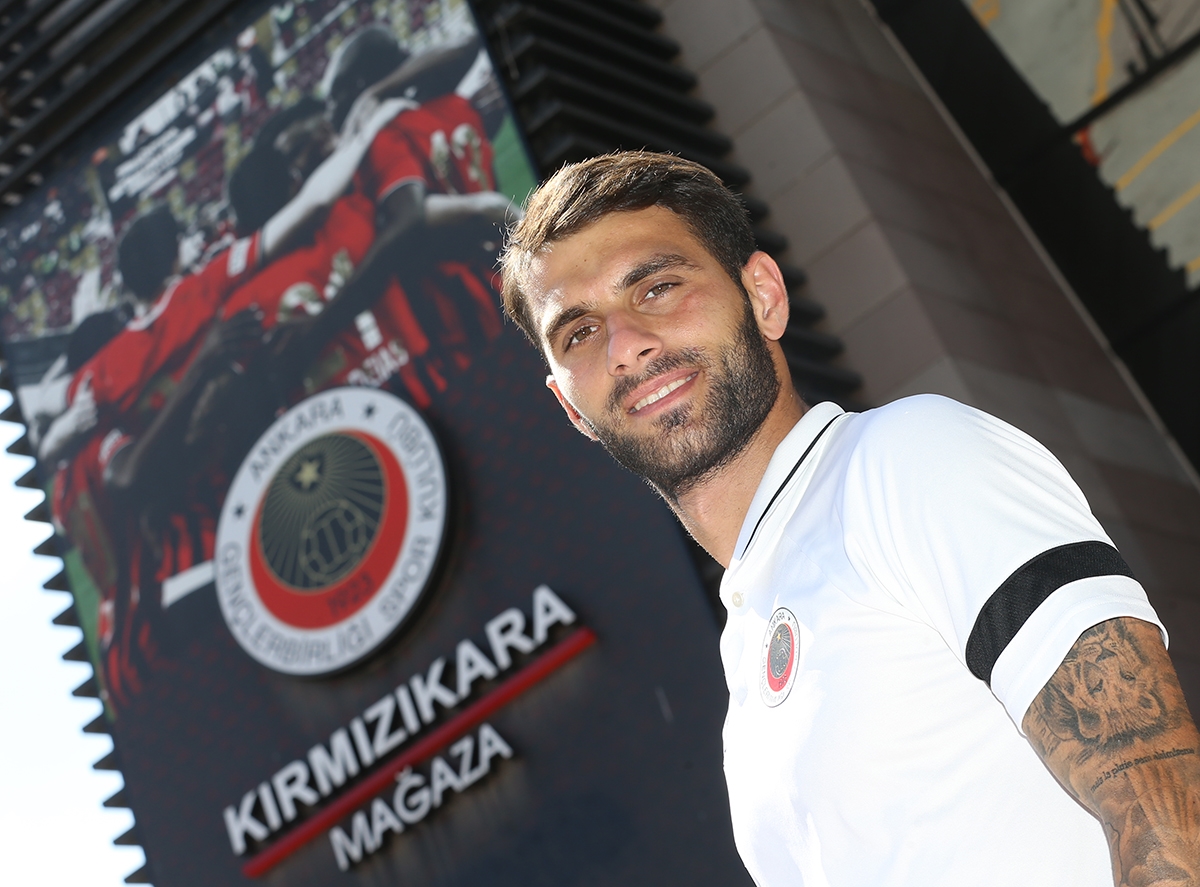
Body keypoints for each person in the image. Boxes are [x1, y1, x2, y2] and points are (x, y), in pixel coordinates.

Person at [499, 151, 1200, 886]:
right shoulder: (746, 666)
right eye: (579, 332)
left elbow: (1163, 796)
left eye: (658, 287)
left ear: (764, 296)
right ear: (570, 407)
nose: (625, 344)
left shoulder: (907, 458)